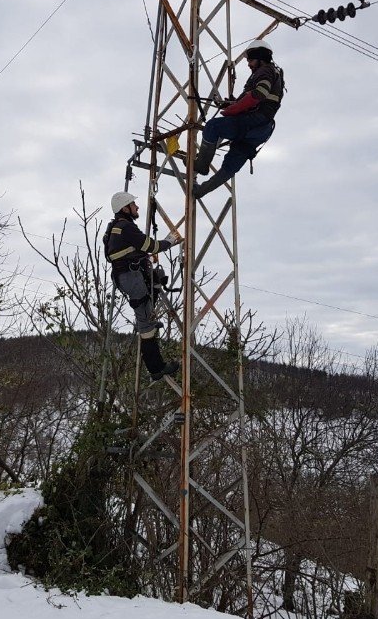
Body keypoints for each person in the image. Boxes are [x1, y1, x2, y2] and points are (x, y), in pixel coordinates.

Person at [104, 192, 183, 381]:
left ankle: (149, 319)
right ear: (125, 208)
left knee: (157, 281)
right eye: (133, 205)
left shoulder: (115, 227)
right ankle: (156, 368)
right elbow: (151, 245)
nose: (137, 208)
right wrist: (169, 242)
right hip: (131, 278)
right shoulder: (126, 227)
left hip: (130, 276)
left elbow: (134, 248)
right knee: (145, 324)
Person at [193, 39, 285, 198]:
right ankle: (200, 191)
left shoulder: (265, 71)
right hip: (261, 130)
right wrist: (232, 104)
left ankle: (201, 166)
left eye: (250, 59)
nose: (248, 64)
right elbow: (256, 98)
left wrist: (232, 110)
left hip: (253, 121)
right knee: (231, 165)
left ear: (259, 57)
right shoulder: (274, 73)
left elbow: (259, 94)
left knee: (212, 127)